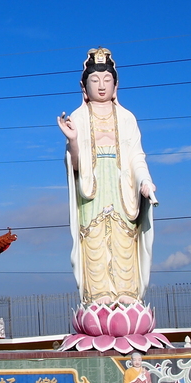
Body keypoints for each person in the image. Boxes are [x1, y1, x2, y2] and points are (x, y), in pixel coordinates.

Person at [58, 48, 157, 307]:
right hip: (92, 189)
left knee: (124, 239)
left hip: (122, 186)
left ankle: (128, 296)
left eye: (106, 80)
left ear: (115, 86)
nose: (101, 86)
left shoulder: (126, 118)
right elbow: (76, 166)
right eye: (94, 80)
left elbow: (137, 156)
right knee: (94, 239)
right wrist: (74, 142)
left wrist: (145, 181)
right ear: (84, 86)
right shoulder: (78, 117)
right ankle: (98, 298)